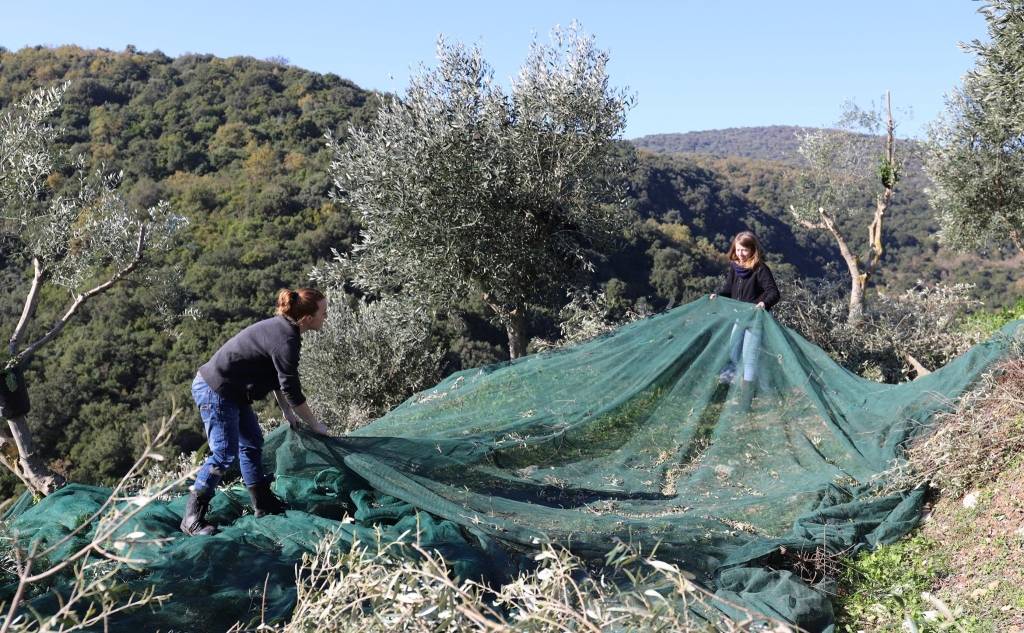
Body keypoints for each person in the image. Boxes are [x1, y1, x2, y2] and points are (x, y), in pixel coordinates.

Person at [180, 288, 331, 536]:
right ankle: (192, 517)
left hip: (233, 391)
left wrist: (287, 412)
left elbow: (277, 379)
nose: (326, 317)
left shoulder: (285, 330)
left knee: (251, 443)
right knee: (224, 453)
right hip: (216, 389)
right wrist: (315, 424)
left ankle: (262, 504)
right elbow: (292, 390)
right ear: (306, 319)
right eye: (323, 313)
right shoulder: (287, 339)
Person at [709, 231, 780, 410]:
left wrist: (763, 303)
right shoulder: (735, 267)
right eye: (738, 250)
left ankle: (745, 402)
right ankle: (754, 381)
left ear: (753, 250)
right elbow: (728, 289)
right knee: (734, 353)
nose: (741, 254)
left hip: (754, 320)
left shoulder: (760, 269)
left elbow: (774, 292)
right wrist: (717, 296)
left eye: (745, 250)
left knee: (749, 359)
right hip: (738, 317)